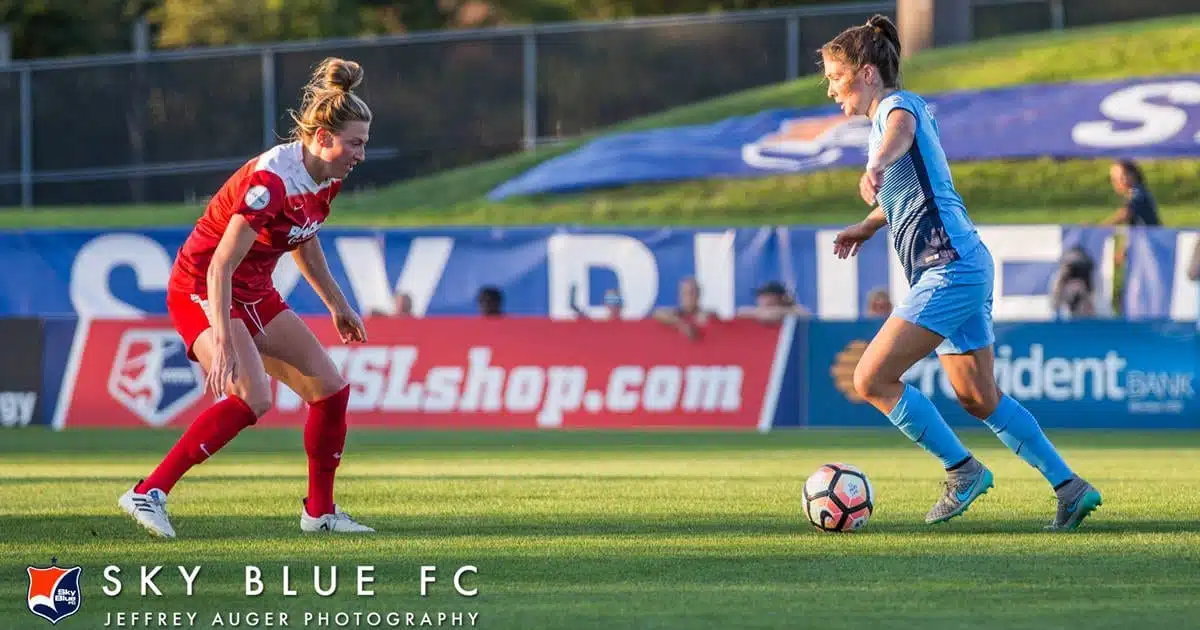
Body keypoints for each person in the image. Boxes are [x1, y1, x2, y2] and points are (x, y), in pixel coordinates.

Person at [823, 16, 1101, 530]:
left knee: (871, 378)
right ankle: (1070, 487)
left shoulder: (895, 109)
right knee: (978, 397)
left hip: (947, 268)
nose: (831, 90)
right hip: (963, 265)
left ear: (866, 74)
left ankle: (962, 471)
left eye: (835, 78)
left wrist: (877, 164)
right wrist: (866, 224)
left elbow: (899, 139)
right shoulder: (890, 118)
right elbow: (909, 189)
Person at [118, 57, 377, 538]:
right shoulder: (270, 182)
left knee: (330, 392)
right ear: (323, 138)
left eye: (364, 143)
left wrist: (338, 304)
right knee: (253, 398)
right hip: (204, 286)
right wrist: (223, 337)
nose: (361, 154)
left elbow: (304, 235)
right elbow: (220, 264)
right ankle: (147, 492)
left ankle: (320, 513)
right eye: (355, 143)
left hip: (255, 291)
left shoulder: (327, 176)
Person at [1101, 159, 1160, 227]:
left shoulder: (1138, 193)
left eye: (1120, 178)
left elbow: (1125, 214)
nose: (1115, 183)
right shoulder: (1136, 192)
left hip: (1150, 236)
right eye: (1112, 179)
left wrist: (1099, 229)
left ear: (1132, 176)